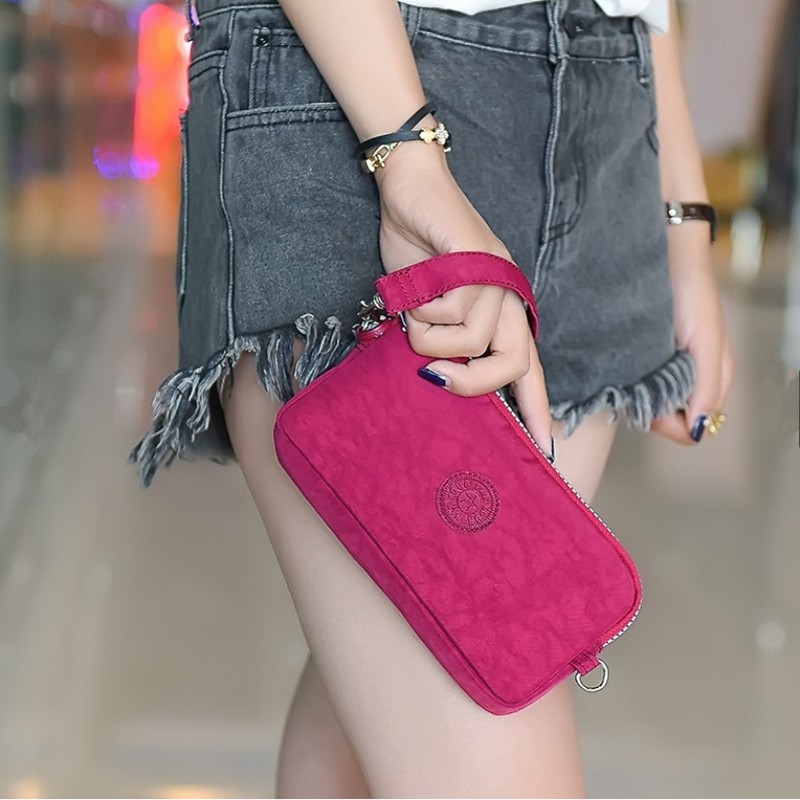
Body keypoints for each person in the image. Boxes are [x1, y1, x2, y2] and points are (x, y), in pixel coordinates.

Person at [130, 0, 735, 795]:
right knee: (465, 691)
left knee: (366, 714)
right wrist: (407, 154)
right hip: (362, 89)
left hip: (607, 109)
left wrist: (683, 222)